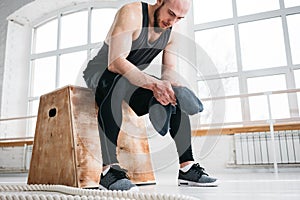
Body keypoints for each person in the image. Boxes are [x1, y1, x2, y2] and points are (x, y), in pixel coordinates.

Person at [83, 0, 219, 191]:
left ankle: (187, 167)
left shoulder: (174, 30)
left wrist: (172, 86)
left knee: (174, 96)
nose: (172, 21)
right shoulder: (131, 13)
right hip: (102, 72)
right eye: (170, 13)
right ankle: (108, 170)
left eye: (179, 18)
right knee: (115, 83)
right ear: (160, 1)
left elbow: (169, 69)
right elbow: (115, 63)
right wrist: (154, 84)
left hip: (133, 78)